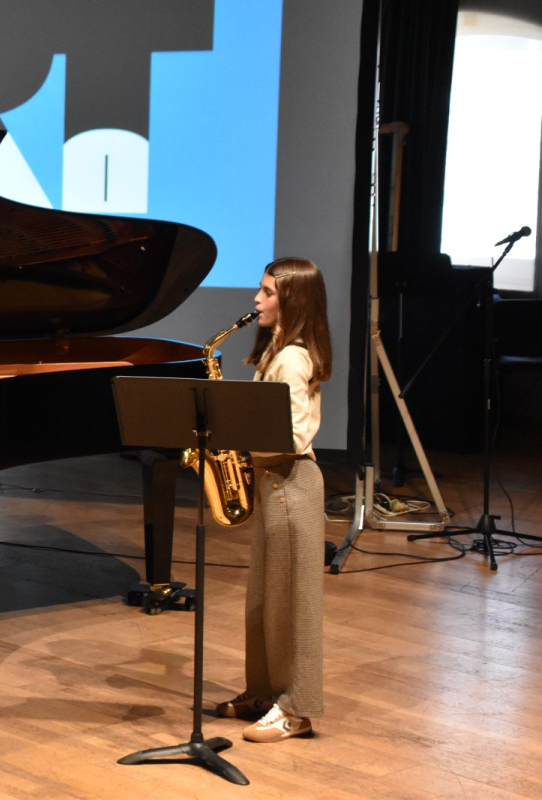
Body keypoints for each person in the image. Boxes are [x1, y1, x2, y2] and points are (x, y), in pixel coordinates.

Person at [215, 257, 332, 743]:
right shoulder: (277, 353)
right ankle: (262, 693)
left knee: (292, 606)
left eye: (266, 293)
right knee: (264, 602)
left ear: (292, 301)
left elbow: (293, 435)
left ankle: (297, 709)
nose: (257, 301)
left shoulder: (291, 358)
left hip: (291, 483)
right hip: (275, 485)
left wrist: (235, 438)